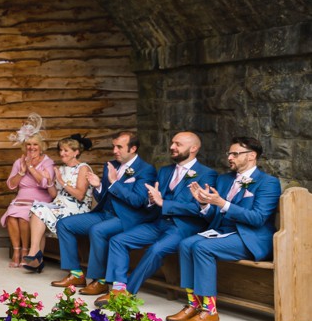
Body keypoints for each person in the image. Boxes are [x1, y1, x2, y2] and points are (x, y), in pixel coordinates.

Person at [170, 136, 282, 321]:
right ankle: (193, 304)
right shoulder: (223, 180)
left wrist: (223, 203)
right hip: (222, 233)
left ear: (252, 156)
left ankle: (210, 311)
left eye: (235, 154)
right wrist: (204, 204)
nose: (230, 157)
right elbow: (213, 215)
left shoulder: (268, 183)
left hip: (250, 237)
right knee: (186, 243)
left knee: (202, 248)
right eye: (229, 153)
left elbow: (258, 218)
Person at [95, 131, 217, 306]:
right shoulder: (165, 171)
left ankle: (127, 293)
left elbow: (199, 208)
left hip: (183, 227)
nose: (172, 147)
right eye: (172, 143)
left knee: (156, 250)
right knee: (118, 240)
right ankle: (118, 288)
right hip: (158, 222)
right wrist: (152, 201)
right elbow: (151, 201)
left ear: (194, 148)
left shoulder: (207, 174)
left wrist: (163, 203)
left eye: (178, 144)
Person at [51, 131, 157, 297]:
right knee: (64, 224)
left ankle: (100, 281)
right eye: (114, 146)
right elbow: (103, 196)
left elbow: (138, 201)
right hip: (105, 213)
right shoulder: (111, 165)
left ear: (133, 148)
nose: (115, 150)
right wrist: (99, 186)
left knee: (98, 230)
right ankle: (76, 274)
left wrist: (114, 183)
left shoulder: (146, 170)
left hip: (126, 218)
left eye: (119, 147)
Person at [21, 134, 94, 274]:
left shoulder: (83, 168)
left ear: (76, 152)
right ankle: (35, 255)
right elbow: (55, 195)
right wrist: (49, 181)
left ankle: (35, 258)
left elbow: (79, 195)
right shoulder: (60, 169)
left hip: (77, 208)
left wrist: (61, 181)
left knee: (40, 210)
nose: (62, 153)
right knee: (37, 208)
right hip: (60, 205)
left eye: (66, 150)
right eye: (61, 150)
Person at [1, 114, 56, 268]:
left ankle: (26, 251)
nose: (31, 148)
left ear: (41, 146)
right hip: (20, 200)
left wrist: (30, 167)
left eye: (35, 145)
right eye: (28, 144)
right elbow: (11, 185)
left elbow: (45, 183)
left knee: (24, 218)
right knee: (12, 217)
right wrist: (21, 172)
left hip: (39, 201)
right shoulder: (19, 162)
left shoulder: (47, 162)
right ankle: (17, 251)